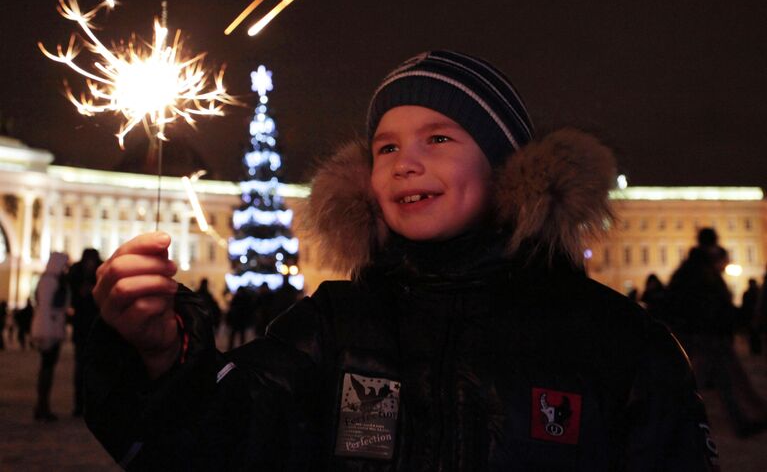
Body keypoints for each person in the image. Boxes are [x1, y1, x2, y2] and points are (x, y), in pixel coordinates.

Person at [85, 51, 719, 470]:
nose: (404, 162)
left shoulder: (615, 343)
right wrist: (159, 355)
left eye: (438, 138)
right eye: (386, 146)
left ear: (510, 168)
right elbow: (213, 444)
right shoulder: (333, 326)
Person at [668, 234, 767, 438]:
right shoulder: (703, 274)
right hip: (705, 335)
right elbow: (713, 306)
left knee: (719, 380)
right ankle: (675, 426)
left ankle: (740, 421)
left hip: (703, 334)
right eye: (724, 261)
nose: (726, 265)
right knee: (697, 382)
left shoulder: (692, 270)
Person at [30, 252, 70, 421]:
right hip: (49, 329)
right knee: (47, 367)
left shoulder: (48, 280)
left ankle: (43, 405)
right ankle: (42, 406)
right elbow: (47, 307)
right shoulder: (50, 281)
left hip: (51, 327)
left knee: (48, 367)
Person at [69, 247, 102, 416]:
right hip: (82, 328)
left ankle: (93, 404)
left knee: (96, 369)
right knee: (81, 368)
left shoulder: (100, 275)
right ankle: (79, 404)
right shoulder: (76, 274)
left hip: (96, 328)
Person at [740, 278, 761, 354]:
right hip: (753, 314)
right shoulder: (757, 292)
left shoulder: (749, 293)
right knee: (755, 332)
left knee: (754, 333)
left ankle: (755, 349)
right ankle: (756, 349)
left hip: (752, 314)